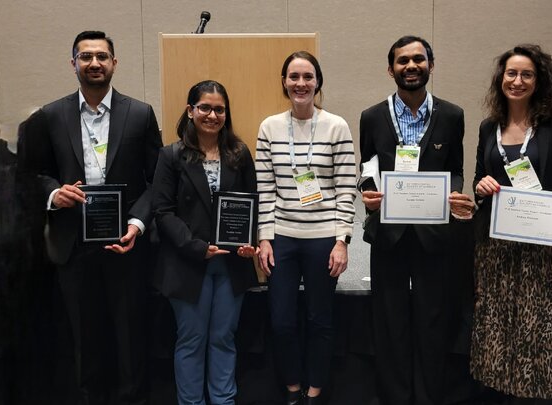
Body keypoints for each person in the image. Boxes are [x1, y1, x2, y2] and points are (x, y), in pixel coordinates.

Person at [24, 30, 162, 404]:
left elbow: (157, 181)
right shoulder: (50, 116)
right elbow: (32, 174)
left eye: (102, 56)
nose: (95, 63)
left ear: (115, 63)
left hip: (126, 245)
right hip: (74, 245)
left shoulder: (140, 113)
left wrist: (136, 223)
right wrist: (55, 193)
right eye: (86, 57)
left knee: (131, 342)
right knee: (85, 344)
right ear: (73, 64)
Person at [359, 35, 476, 405]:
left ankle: (428, 398)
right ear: (390, 68)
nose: (411, 66)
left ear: (431, 65)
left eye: (418, 60)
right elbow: (368, 168)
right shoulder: (372, 116)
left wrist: (455, 194)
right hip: (389, 234)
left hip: (435, 236)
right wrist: (369, 195)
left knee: (432, 323)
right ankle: (394, 398)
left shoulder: (453, 115)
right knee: (390, 324)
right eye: (402, 61)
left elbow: (455, 170)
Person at [470, 44, 552, 400]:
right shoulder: (489, 126)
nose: (517, 81)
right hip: (495, 246)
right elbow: (479, 179)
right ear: (500, 78)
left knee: (538, 332)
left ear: (539, 81)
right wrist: (480, 185)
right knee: (495, 329)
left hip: (542, 245)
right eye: (511, 73)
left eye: (526, 74)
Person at [255, 51, 356, 405]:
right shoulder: (269, 127)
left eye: (308, 77)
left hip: (323, 238)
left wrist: (342, 240)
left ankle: (315, 391)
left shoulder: (336, 126)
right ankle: (292, 387)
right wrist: (264, 238)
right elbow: (264, 189)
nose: (301, 84)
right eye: (294, 77)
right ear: (284, 82)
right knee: (281, 321)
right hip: (282, 237)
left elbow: (346, 187)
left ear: (318, 82)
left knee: (319, 320)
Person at [152, 80, 259, 405]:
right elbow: (162, 211)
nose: (212, 115)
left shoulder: (239, 154)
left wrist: (249, 241)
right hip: (187, 264)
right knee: (192, 340)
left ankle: (224, 401)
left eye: (219, 109)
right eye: (205, 108)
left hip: (230, 264)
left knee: (224, 338)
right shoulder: (171, 155)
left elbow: (252, 202)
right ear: (190, 110)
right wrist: (197, 247)